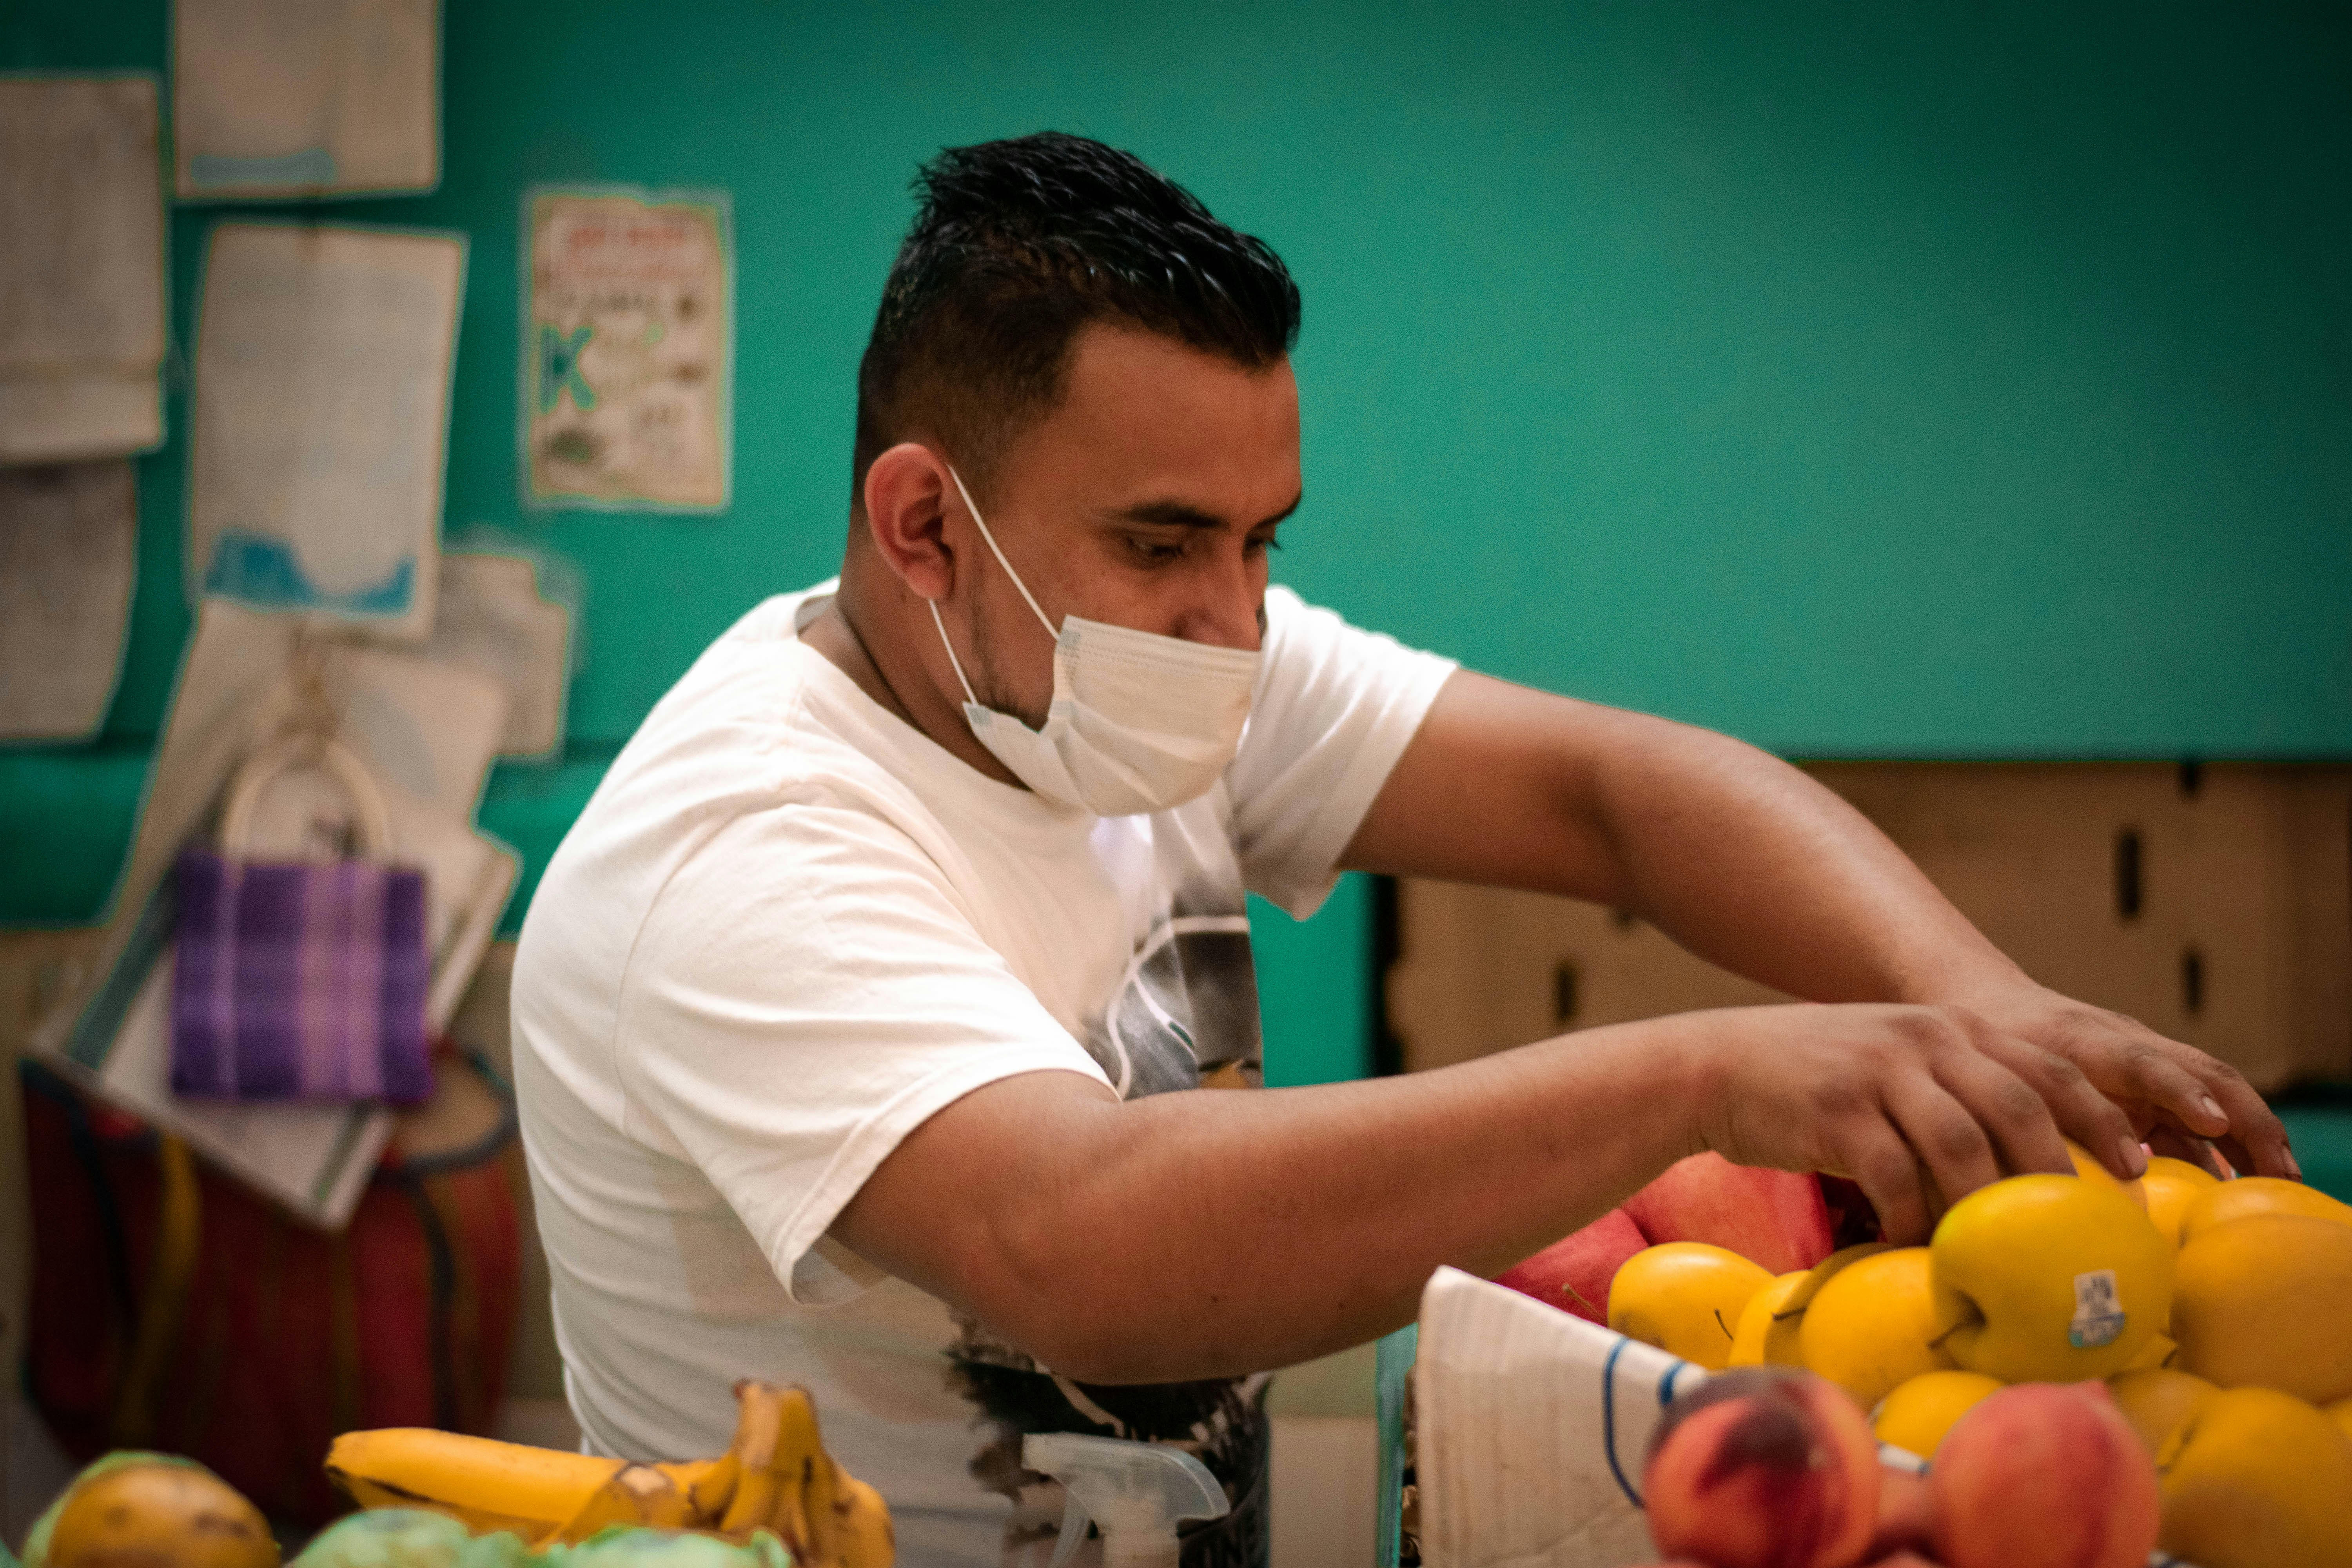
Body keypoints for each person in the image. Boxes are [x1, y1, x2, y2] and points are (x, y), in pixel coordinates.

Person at [510, 131, 2293, 1568]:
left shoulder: (1123, 671)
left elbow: (1623, 794)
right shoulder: (746, 847)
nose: (1234, 622)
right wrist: (1710, 1071)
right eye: (1163, 544)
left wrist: (1986, 1019)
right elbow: (1084, 1247)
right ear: (924, 524)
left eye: (1263, 544)